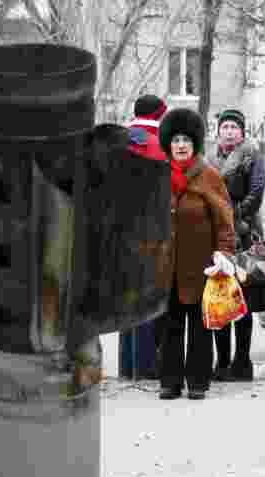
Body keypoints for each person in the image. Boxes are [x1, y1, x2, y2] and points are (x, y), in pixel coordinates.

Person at [157, 107, 236, 401]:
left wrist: (224, 253)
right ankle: (169, 381)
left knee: (201, 327)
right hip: (167, 266)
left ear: (194, 144)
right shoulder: (160, 175)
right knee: (169, 326)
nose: (180, 145)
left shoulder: (208, 176)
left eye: (186, 140)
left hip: (202, 265)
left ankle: (198, 382)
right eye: (175, 140)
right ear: (168, 143)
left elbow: (225, 220)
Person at [206, 109, 265, 382]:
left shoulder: (251, 155)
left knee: (245, 300)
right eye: (225, 126)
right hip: (217, 236)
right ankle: (222, 362)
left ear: (242, 132)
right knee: (221, 298)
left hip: (245, 233)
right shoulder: (209, 159)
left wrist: (235, 215)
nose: (229, 131)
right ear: (218, 131)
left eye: (234, 127)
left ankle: (243, 362)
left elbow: (256, 193)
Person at [118, 94, 168, 381]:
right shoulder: (161, 144)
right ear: (160, 115)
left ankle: (127, 366)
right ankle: (147, 366)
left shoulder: (119, 140)